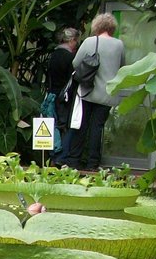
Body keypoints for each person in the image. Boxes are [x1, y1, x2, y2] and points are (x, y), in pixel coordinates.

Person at [65, 12, 125, 172]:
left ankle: (74, 160)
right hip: (107, 94)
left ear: (96, 26)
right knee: (97, 128)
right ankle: (93, 163)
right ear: (112, 28)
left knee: (82, 126)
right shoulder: (119, 45)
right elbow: (122, 67)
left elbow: (75, 62)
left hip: (87, 90)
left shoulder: (90, 42)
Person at [45, 26, 79, 166]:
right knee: (67, 125)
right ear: (72, 40)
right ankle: (61, 156)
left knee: (53, 125)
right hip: (64, 97)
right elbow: (73, 79)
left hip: (52, 94)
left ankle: (52, 155)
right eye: (76, 41)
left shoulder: (53, 55)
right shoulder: (70, 57)